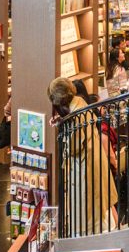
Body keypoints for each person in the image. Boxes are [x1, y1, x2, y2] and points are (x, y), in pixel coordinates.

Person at [48, 76, 117, 234]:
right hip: (96, 176)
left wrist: (62, 127)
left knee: (93, 224)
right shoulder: (80, 104)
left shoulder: (76, 119)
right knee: (104, 217)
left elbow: (74, 147)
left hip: (87, 181)